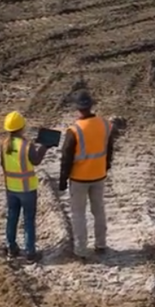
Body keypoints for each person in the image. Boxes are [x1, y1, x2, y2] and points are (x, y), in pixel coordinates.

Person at [58, 90, 115, 259]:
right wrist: (105, 167)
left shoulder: (74, 130)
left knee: (78, 214)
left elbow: (66, 157)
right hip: (99, 175)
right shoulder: (105, 125)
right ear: (91, 106)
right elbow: (109, 149)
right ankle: (101, 244)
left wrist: (62, 179)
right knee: (99, 210)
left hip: (79, 178)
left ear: (77, 108)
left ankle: (81, 250)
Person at [0, 111, 48, 262]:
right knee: (28, 220)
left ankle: (11, 248)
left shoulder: (3, 145)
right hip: (27, 189)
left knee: (12, 217)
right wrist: (44, 147)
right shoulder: (27, 145)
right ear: (22, 127)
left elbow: (3, 165)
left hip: (11, 188)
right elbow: (36, 161)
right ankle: (30, 252)